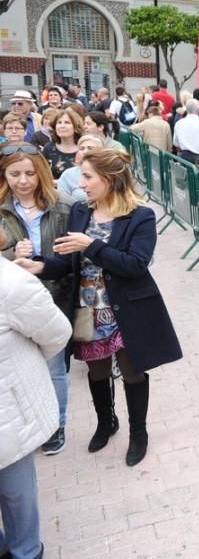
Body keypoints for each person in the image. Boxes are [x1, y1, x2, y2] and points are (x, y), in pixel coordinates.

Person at [17, 149, 183, 466]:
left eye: (88, 176)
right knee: (97, 369)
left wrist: (90, 244)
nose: (82, 184)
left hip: (127, 309)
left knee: (132, 371)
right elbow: (68, 262)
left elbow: (135, 265)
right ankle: (106, 423)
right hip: (87, 308)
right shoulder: (81, 212)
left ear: (110, 178)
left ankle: (139, 433)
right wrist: (39, 266)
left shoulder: (140, 215)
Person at [0, 145, 76, 456]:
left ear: (42, 173)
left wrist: (46, 262)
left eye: (30, 173)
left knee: (55, 366)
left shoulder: (65, 206)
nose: (23, 181)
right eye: (15, 174)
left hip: (53, 297)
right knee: (20, 368)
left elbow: (76, 255)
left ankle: (55, 426)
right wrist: (9, 254)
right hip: (12, 303)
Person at [0, 228, 71, 559]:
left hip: (6, 413)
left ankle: (26, 552)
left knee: (16, 490)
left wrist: (19, 370)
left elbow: (55, 333)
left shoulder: (9, 283)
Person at [57, 135, 106, 201]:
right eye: (82, 149)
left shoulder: (109, 172)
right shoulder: (68, 174)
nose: (85, 151)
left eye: (90, 148)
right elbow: (62, 203)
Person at [43, 109, 83, 179]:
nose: (62, 126)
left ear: (76, 127)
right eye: (59, 123)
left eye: (67, 122)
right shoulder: (48, 148)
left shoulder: (84, 148)